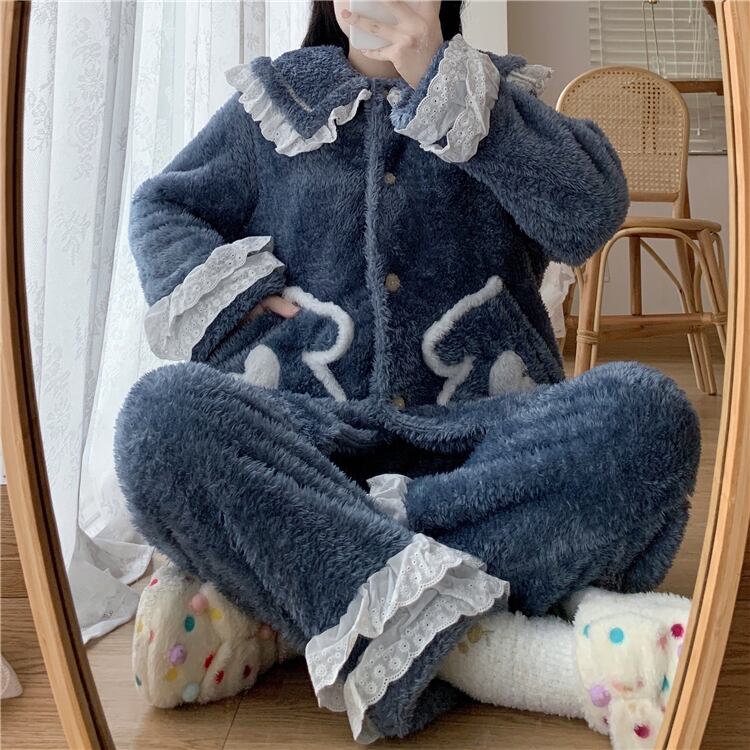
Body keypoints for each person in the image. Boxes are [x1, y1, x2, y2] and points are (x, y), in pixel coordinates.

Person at [115, 1, 700, 743]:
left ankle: (294, 600)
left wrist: (449, 87)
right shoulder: (274, 104)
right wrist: (239, 289)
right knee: (159, 420)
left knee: (648, 419)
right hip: (314, 446)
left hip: (480, 453)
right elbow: (162, 207)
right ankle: (500, 655)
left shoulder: (497, 97)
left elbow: (588, 214)